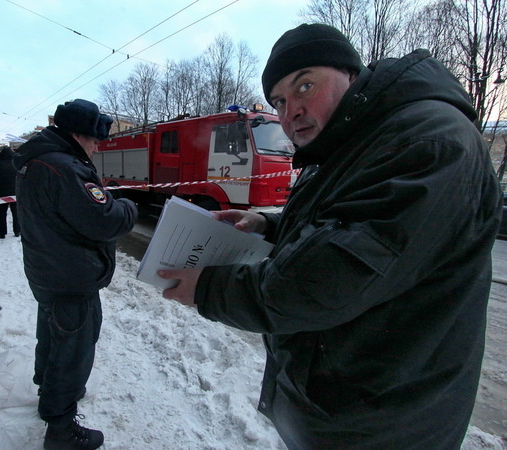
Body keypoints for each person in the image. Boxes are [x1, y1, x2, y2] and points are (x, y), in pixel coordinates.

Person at [159, 23, 503, 449]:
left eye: (305, 86)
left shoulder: (427, 140)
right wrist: (269, 224)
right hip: (346, 402)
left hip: (383, 422)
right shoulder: (351, 143)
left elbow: (330, 278)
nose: (290, 112)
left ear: (352, 75)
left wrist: (209, 288)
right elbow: (344, 221)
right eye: (280, 101)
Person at [13, 99, 138, 450]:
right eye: (95, 139)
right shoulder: (65, 167)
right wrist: (127, 205)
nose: (98, 147)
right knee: (74, 351)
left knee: (52, 336)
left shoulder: (36, 160)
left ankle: (48, 390)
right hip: (71, 276)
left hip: (48, 271)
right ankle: (61, 428)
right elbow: (104, 220)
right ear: (78, 134)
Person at [0, 145, 20, 239]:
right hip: (15, 193)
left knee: (2, 214)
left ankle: (2, 233)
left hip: (0, 193)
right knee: (16, 213)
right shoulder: (16, 164)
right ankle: (17, 231)